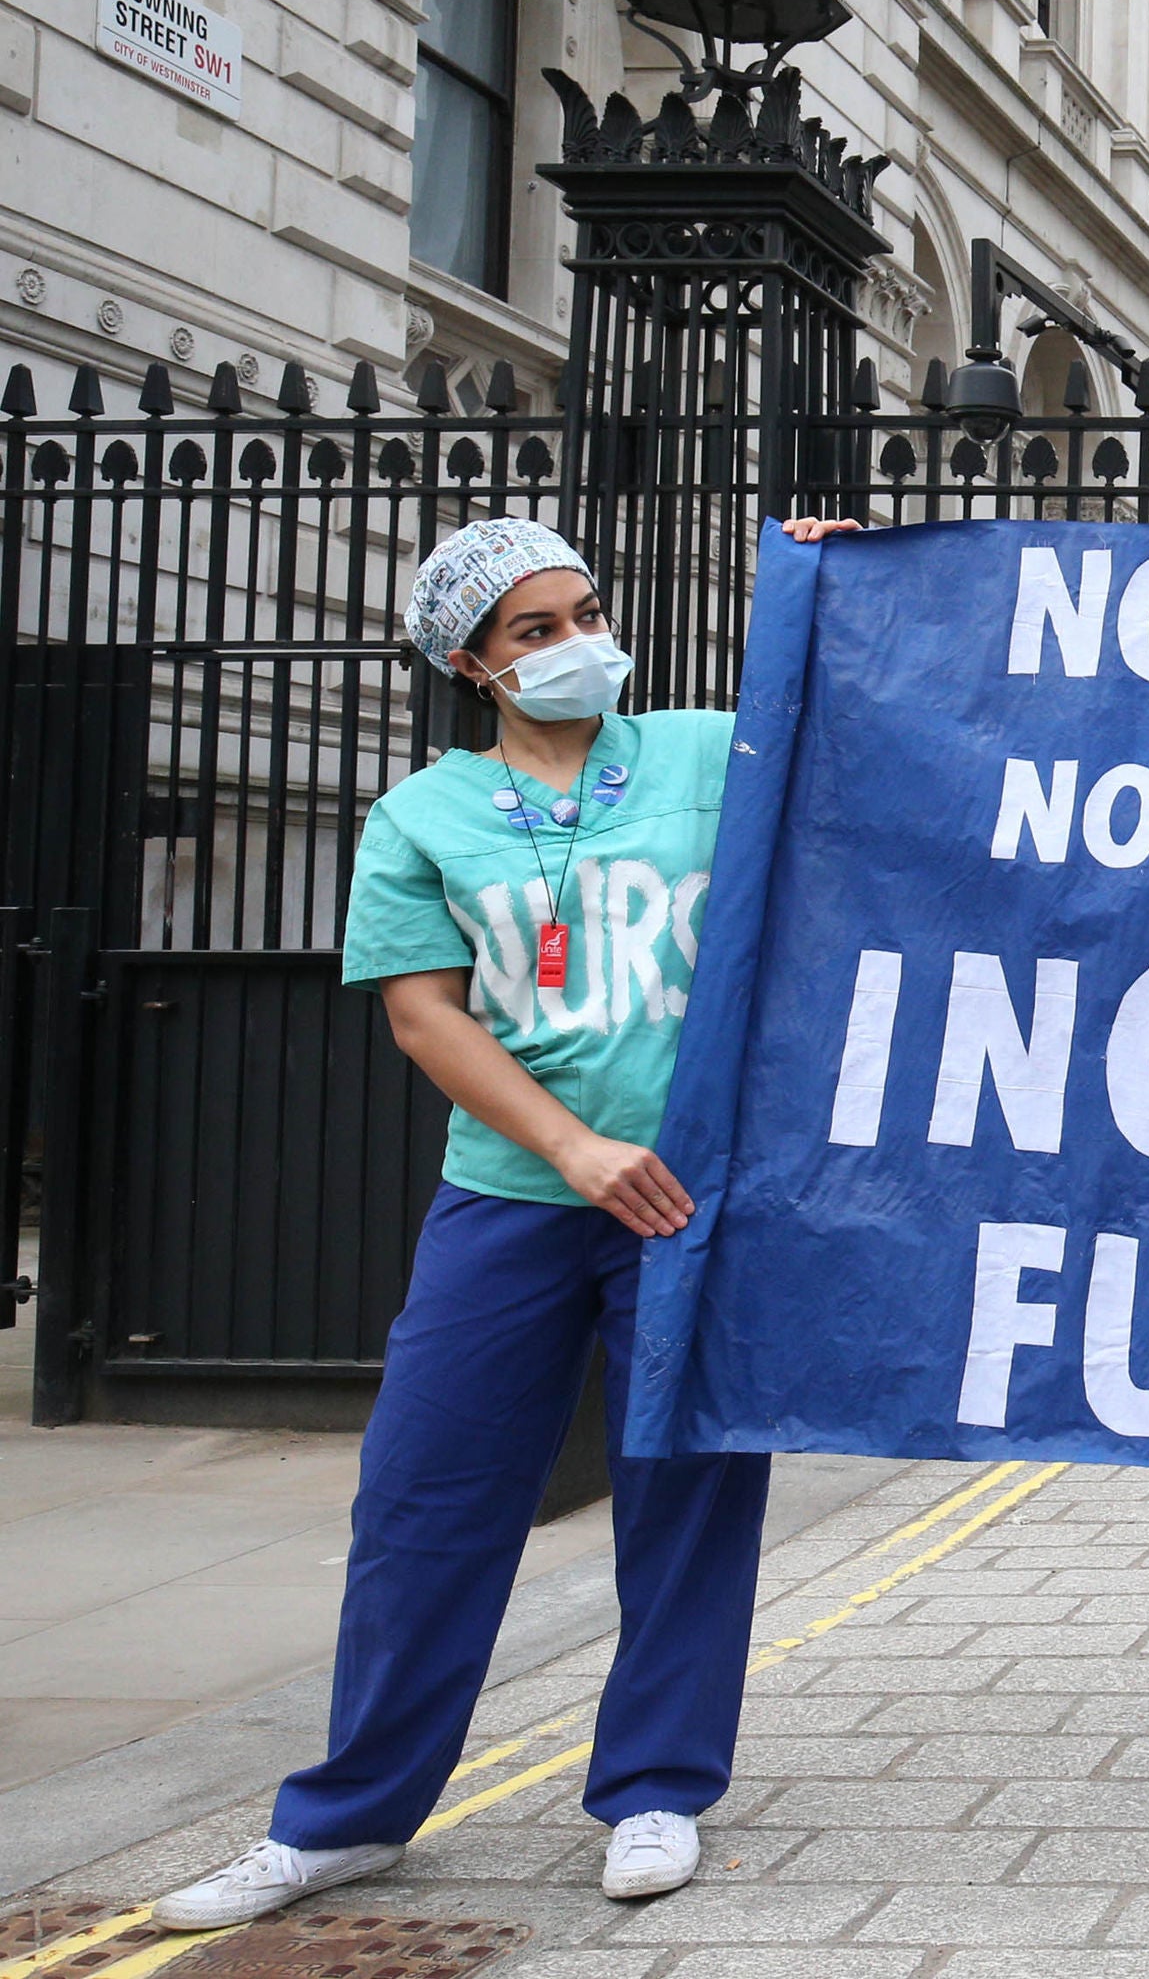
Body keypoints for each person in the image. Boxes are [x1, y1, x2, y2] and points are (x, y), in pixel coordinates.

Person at [155, 515, 852, 1931]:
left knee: (689, 1493)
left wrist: (824, 582)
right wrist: (577, 1148)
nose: (577, 642)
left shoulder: (703, 752)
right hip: (513, 1197)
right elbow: (425, 1015)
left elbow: (858, 711)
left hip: (695, 1201)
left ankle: (656, 1787)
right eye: (535, 631)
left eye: (584, 610)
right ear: (474, 663)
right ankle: (349, 1816)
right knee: (425, 1496)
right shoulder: (422, 816)